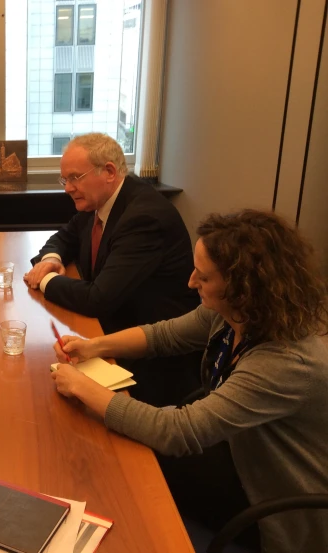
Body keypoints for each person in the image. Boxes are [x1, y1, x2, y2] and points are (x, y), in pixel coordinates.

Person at [50, 209, 328, 553]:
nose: (191, 281)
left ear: (243, 287)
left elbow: (179, 432)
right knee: (119, 459)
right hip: (238, 452)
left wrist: (83, 387)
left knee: (121, 485)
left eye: (204, 277)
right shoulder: (234, 313)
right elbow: (165, 335)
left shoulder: (287, 362)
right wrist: (94, 345)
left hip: (274, 499)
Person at [25, 132, 201, 406]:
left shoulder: (144, 217)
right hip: (109, 332)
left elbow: (98, 299)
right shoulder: (99, 202)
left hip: (153, 358)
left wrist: (44, 280)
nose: (67, 188)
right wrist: (51, 259)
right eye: (65, 179)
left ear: (108, 171)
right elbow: (65, 237)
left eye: (74, 177)